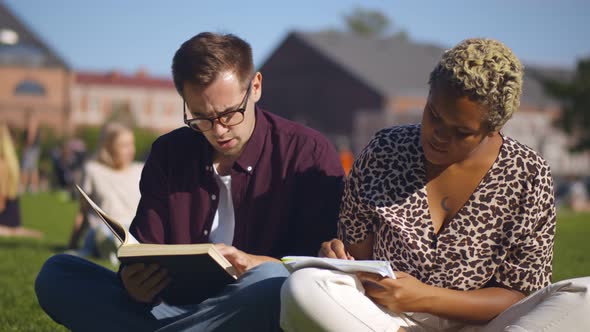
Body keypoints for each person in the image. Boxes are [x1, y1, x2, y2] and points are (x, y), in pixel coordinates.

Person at [35, 32, 344, 332]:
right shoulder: (169, 152)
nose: (219, 130)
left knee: (272, 281)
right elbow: (145, 245)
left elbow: (323, 269)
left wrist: (255, 263)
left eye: (229, 114)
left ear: (256, 87)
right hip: (171, 306)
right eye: (201, 118)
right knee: (58, 274)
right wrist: (133, 282)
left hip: (255, 305)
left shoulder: (308, 152)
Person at [280, 38, 590, 331]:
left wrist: (424, 296)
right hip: (388, 318)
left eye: (460, 131)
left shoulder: (528, 174)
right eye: (434, 115)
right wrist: (338, 258)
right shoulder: (384, 152)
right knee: (305, 285)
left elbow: (520, 293)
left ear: (492, 128)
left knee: (585, 297)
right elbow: (359, 260)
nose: (438, 135)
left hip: (487, 323)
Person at [66, 122, 143, 265]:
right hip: (103, 228)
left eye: (132, 144)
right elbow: (83, 211)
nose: (131, 150)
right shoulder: (92, 170)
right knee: (102, 232)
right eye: (124, 145)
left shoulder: (140, 170)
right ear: (109, 146)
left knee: (132, 234)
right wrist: (72, 243)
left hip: (132, 228)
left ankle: (117, 249)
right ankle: (114, 248)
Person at [0, 123, 42, 238]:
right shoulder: (11, 162)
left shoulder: (2, 164)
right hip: (12, 213)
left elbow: (1, 202)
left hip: (5, 214)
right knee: (15, 231)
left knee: (9, 231)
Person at [20, 111, 41, 193]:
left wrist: (26, 147)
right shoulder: (35, 123)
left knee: (25, 167)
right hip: (34, 148)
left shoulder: (31, 123)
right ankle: (33, 187)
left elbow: (30, 136)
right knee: (33, 168)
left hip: (31, 148)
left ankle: (23, 186)